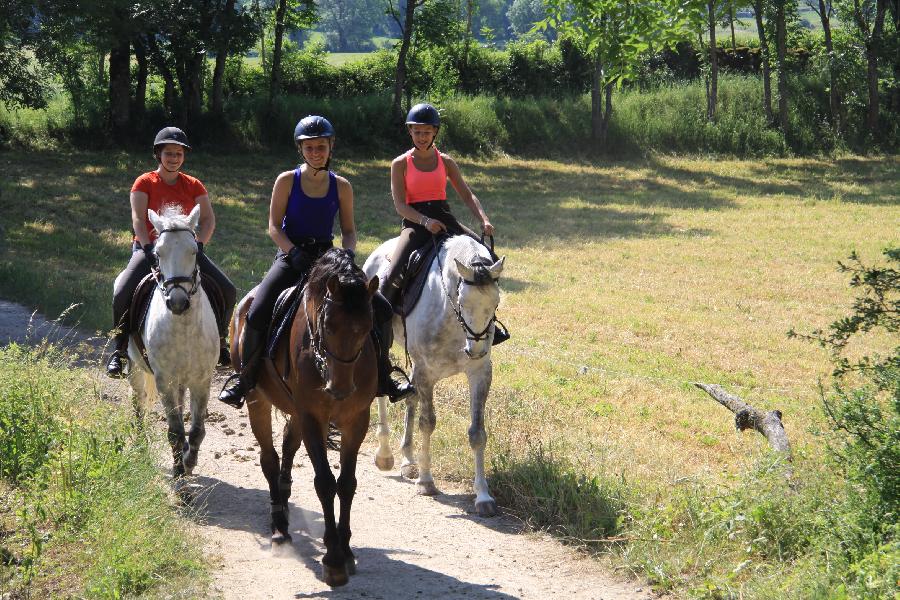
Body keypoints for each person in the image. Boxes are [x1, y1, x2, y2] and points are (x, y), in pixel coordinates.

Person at [218, 115, 415, 409]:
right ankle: (246, 378)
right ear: (301, 149)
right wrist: (291, 251)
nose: (315, 152)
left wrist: (347, 254)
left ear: (330, 146)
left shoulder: (342, 186)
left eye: (320, 147)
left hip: (329, 259)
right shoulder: (286, 181)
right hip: (291, 255)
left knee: (382, 309)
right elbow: (274, 226)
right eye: (309, 148)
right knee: (258, 309)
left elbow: (349, 231)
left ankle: (385, 374)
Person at [106, 126, 237, 378]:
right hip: (150, 249)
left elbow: (208, 220)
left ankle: (220, 343)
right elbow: (138, 219)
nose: (174, 158)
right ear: (158, 154)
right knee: (122, 290)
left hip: (186, 251)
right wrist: (147, 249)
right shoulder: (144, 182)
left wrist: (198, 246)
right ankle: (119, 351)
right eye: (169, 153)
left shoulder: (194, 185)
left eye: (179, 153)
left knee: (228, 289)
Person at [380, 104, 507, 342]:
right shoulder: (400, 163)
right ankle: (378, 325)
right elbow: (400, 206)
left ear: (435, 132)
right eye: (417, 131)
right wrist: (425, 221)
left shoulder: (446, 162)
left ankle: (489, 321)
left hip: (445, 218)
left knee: (487, 256)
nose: (421, 137)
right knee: (390, 274)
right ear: (410, 132)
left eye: (426, 132)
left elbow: (468, 195)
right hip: (415, 223)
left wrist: (484, 219)